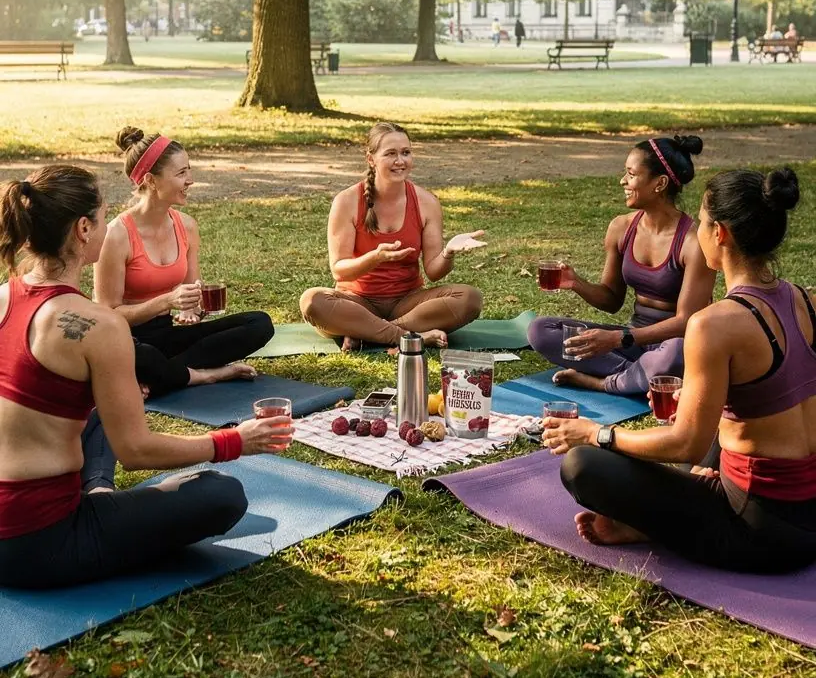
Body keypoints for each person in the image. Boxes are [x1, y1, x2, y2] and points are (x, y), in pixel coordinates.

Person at [0, 165, 293, 590]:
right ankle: (98, 502)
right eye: (102, 215)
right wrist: (235, 441)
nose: (107, 222)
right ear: (84, 228)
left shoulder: (4, 296)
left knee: (99, 414)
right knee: (222, 495)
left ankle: (98, 493)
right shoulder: (97, 323)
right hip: (39, 543)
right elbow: (135, 449)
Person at [546, 167, 816, 575]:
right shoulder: (806, 300)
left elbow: (686, 443)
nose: (697, 231)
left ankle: (654, 525)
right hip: (809, 509)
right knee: (711, 422)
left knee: (582, 465)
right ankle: (679, 507)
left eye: (703, 222)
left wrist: (597, 434)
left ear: (720, 234)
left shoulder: (715, 324)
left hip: (761, 531)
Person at [527, 136, 715, 396]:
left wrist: (618, 339)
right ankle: (641, 378)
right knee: (540, 330)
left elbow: (687, 322)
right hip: (633, 340)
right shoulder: (621, 228)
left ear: (659, 184)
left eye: (631, 174)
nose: (622, 181)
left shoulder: (693, 242)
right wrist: (576, 283)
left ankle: (601, 382)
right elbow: (612, 299)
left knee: (673, 353)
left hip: (674, 343)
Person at [94, 128, 273, 398]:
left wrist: (194, 310)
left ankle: (160, 377)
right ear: (151, 181)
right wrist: (166, 301)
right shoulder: (117, 235)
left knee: (259, 324)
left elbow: (193, 293)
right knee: (145, 355)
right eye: (181, 173)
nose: (190, 180)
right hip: (127, 339)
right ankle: (205, 374)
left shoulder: (186, 226)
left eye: (188, 170)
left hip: (167, 336)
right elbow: (107, 314)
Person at [300, 121, 485, 349]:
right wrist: (375, 258)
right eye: (391, 153)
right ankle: (407, 336)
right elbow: (339, 271)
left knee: (470, 298)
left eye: (406, 153)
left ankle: (368, 332)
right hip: (356, 301)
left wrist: (448, 252)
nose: (400, 161)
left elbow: (434, 272)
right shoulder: (346, 201)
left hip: (407, 302)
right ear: (371, 159)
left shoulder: (426, 202)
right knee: (312, 301)